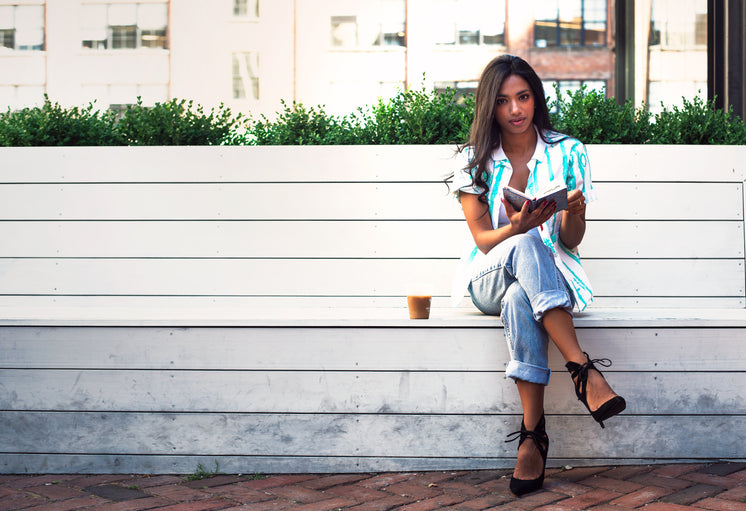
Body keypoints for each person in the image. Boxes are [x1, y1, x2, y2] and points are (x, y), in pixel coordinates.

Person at [448, 54, 626, 496]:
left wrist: (577, 212)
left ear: (536, 98)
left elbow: (570, 241)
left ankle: (532, 435)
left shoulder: (569, 151)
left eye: (523, 97)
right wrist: (518, 228)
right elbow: (484, 239)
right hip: (487, 275)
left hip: (544, 280)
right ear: (490, 106)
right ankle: (581, 367)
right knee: (523, 245)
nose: (515, 110)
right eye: (504, 100)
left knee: (518, 301)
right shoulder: (472, 160)